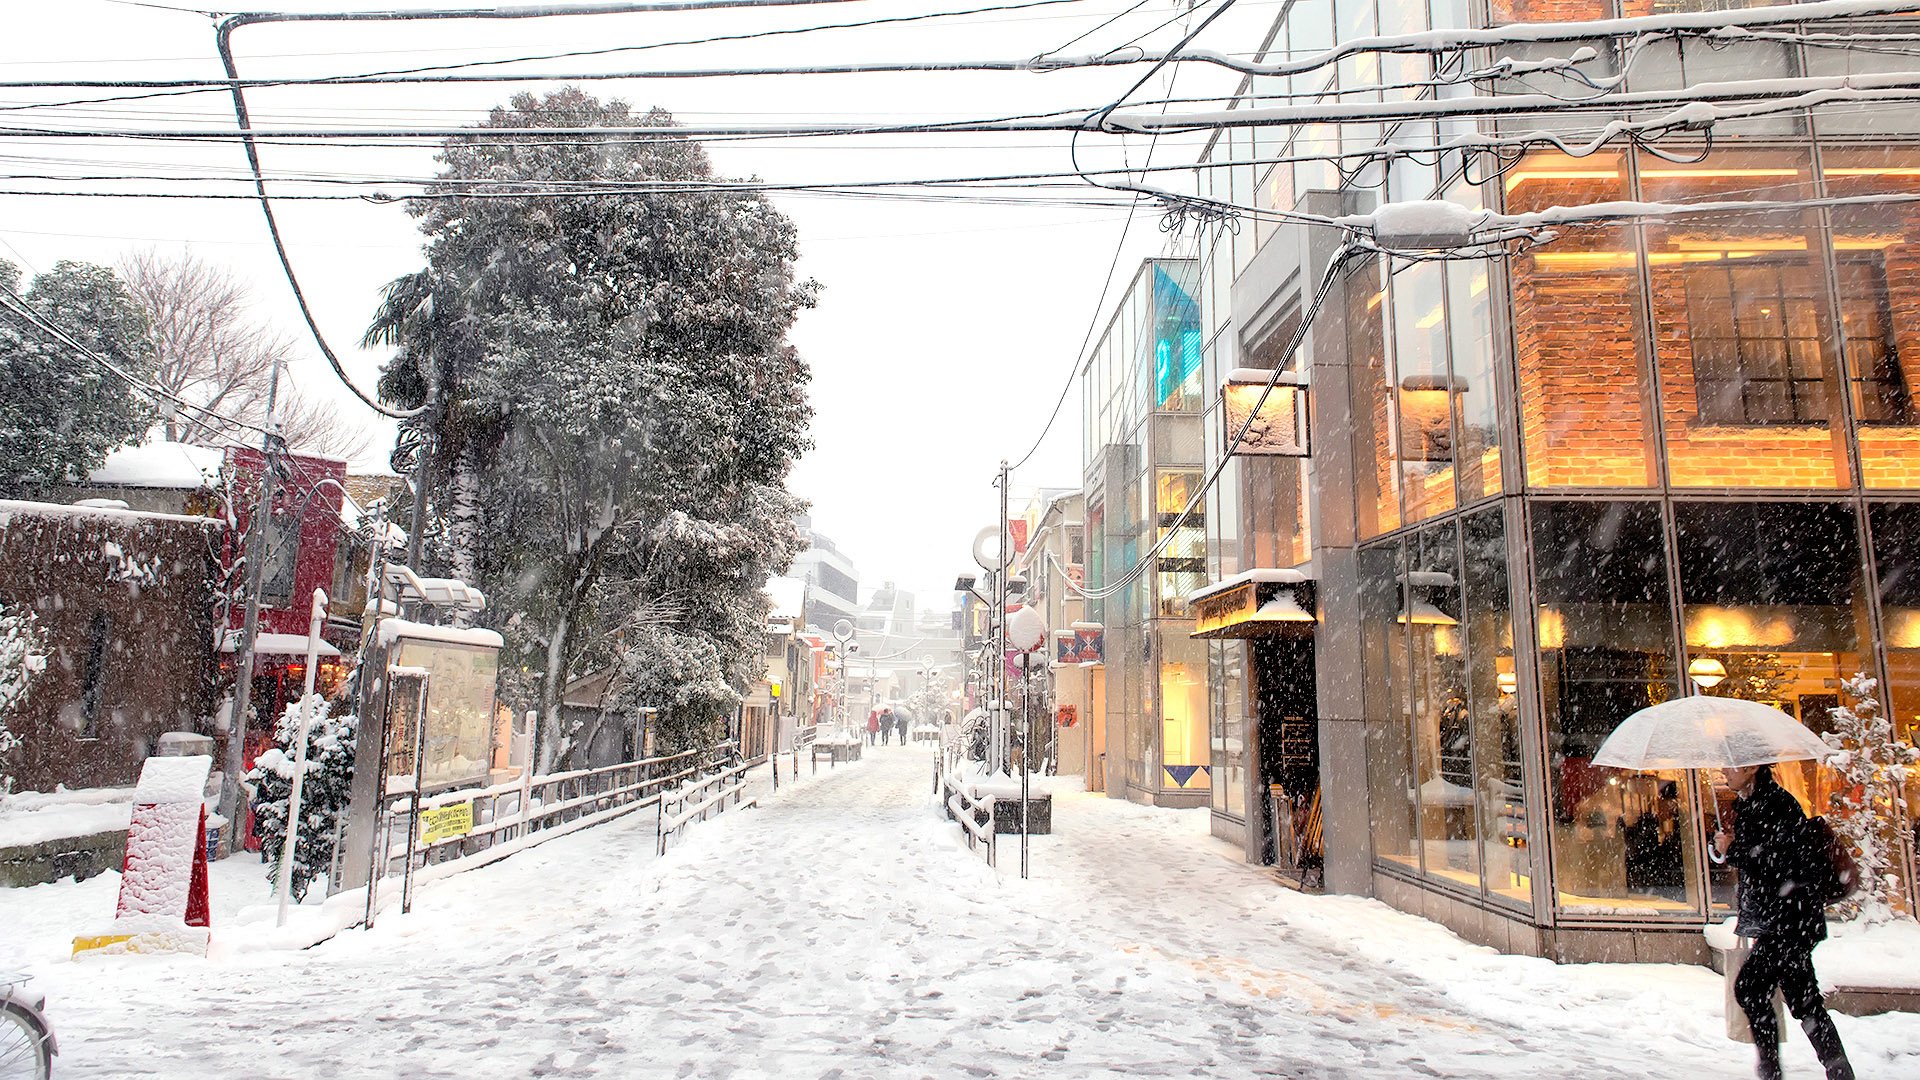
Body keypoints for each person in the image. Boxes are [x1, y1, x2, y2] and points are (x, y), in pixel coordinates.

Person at [1713, 764, 1854, 1080]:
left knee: (1751, 988)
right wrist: (1731, 847)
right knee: (1804, 1003)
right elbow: (1766, 857)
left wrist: (1734, 849)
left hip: (1789, 920)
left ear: (1750, 768)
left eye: (1731, 765)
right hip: (1787, 920)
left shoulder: (1774, 802)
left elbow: (1781, 862)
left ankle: (1771, 1070)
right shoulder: (1756, 803)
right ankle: (1837, 1070)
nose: (1723, 770)